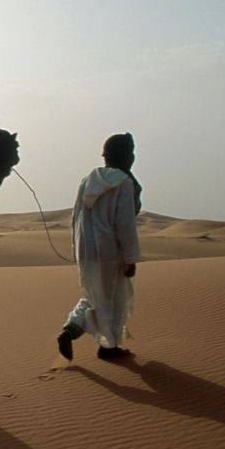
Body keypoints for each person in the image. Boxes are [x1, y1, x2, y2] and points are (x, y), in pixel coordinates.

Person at [56, 133, 142, 361]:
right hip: (110, 251)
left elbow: (76, 217)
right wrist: (131, 257)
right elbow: (125, 224)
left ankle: (70, 329)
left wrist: (78, 249)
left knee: (93, 295)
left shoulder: (87, 181)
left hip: (88, 249)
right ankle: (109, 347)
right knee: (112, 298)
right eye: (130, 153)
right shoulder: (123, 183)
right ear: (125, 156)